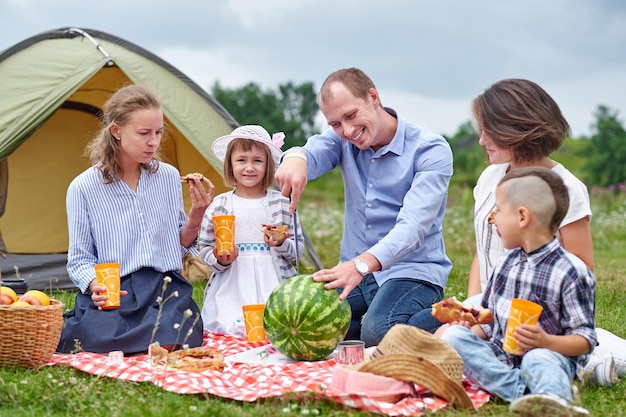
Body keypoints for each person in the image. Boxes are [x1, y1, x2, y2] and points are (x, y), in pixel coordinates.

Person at [275, 68, 452, 346]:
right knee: (299, 320)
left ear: (373, 97)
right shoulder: (341, 140)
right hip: (356, 274)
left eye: (351, 115)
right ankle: (373, 320)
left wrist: (359, 266)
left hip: (411, 271)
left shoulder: (430, 150)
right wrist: (296, 158)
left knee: (378, 331)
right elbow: (312, 151)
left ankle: (447, 318)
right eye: (335, 124)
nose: (347, 131)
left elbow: (413, 229)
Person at [467, 78, 625, 386]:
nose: (481, 140)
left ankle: (592, 360)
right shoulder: (489, 179)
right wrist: (473, 303)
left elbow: (581, 268)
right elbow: (482, 249)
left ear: (517, 130)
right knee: (445, 339)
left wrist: (537, 328)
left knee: (538, 355)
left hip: (540, 320)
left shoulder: (566, 188)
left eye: (490, 131)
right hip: (491, 310)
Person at [57, 85, 214, 355]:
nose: (153, 142)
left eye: (158, 132)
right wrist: (95, 286)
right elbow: (80, 260)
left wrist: (196, 215)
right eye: (144, 133)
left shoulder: (167, 177)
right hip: (116, 291)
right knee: (90, 339)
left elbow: (176, 246)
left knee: (179, 331)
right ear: (116, 131)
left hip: (162, 288)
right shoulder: (83, 187)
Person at [439, 166, 595, 417]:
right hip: (503, 357)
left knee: (537, 358)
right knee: (453, 337)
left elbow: (585, 340)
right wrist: (468, 323)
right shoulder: (506, 263)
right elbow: (489, 323)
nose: (493, 218)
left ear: (522, 217)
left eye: (499, 210)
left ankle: (552, 396)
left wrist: (546, 342)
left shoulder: (570, 271)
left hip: (550, 356)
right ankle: (529, 395)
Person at [199, 125, 303, 335]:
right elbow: (205, 247)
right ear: (230, 165)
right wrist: (220, 259)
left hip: (272, 280)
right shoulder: (220, 204)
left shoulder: (282, 203)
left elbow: (298, 250)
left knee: (276, 327)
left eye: (257, 161)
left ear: (268, 166)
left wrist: (281, 242)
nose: (249, 167)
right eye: (241, 160)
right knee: (229, 327)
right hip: (232, 283)